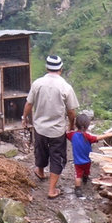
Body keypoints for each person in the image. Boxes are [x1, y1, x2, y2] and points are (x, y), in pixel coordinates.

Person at [22, 54, 79, 199]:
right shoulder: (65, 87)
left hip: (39, 127)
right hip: (57, 130)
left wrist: (24, 119)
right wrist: (71, 125)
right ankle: (52, 190)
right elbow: (71, 111)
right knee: (57, 157)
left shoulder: (37, 83)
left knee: (40, 150)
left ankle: (40, 171)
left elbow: (29, 104)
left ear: (47, 67)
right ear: (61, 68)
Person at [67, 113, 112, 197]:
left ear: (76, 125)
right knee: (87, 171)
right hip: (87, 160)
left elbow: (66, 133)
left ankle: (77, 189)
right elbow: (97, 138)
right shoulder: (87, 136)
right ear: (87, 126)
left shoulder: (72, 135)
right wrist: (107, 135)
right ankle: (85, 178)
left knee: (78, 175)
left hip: (77, 161)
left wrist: (70, 127)